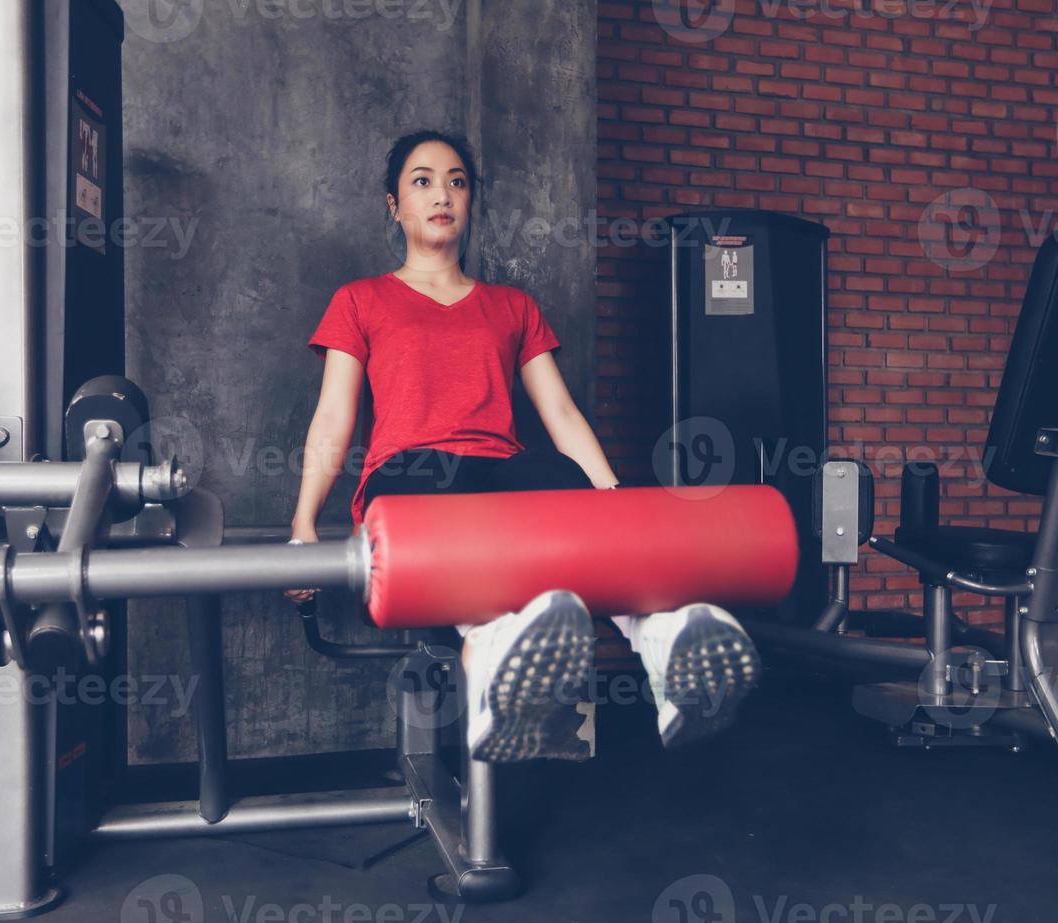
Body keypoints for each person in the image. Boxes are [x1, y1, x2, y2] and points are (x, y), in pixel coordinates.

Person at [285, 130, 759, 763]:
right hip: (411, 480)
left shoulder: (512, 307)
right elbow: (334, 416)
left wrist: (612, 503)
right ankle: (494, 661)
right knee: (463, 519)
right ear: (394, 206)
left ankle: (666, 643)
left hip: (502, 474)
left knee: (562, 480)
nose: (442, 194)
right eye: (422, 181)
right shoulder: (361, 300)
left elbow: (560, 412)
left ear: (471, 200)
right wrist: (303, 522)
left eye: (457, 181)